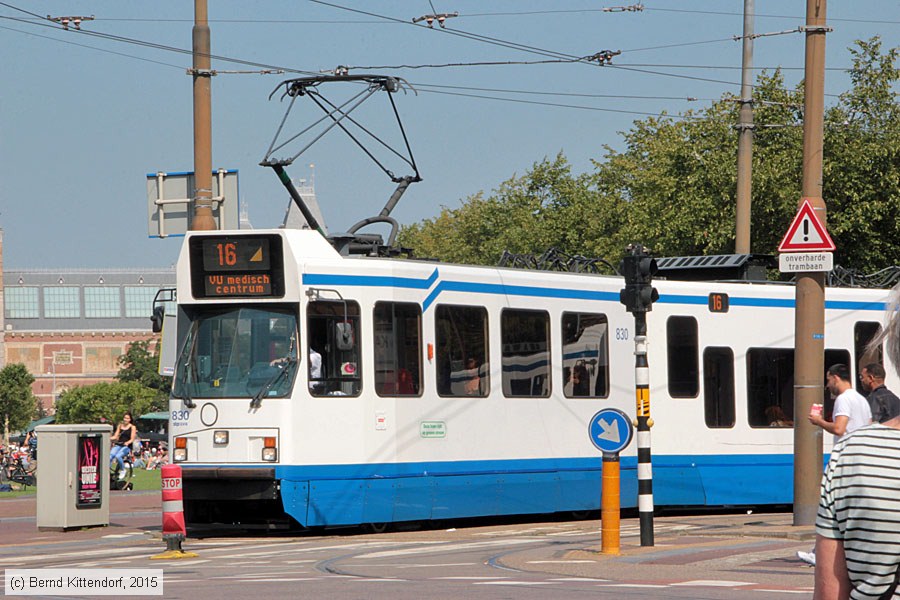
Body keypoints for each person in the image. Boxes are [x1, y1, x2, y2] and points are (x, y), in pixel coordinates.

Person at [814, 303, 900, 598]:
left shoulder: (847, 455)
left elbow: (830, 590)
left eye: (828, 379)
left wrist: (817, 421)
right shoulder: (863, 400)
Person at [809, 364, 872, 444]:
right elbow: (869, 425)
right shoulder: (862, 399)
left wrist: (819, 421)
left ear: (835, 378)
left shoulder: (843, 398)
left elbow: (838, 429)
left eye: (829, 380)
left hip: (847, 451)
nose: (828, 385)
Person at [109, 412, 137, 479]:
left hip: (126, 446)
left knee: (118, 456)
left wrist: (127, 442)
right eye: (125, 418)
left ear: (130, 419)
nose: (125, 419)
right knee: (110, 456)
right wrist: (108, 438)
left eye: (127, 418)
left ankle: (123, 469)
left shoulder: (132, 427)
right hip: (119, 444)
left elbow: (132, 439)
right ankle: (107, 471)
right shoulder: (120, 426)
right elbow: (115, 436)